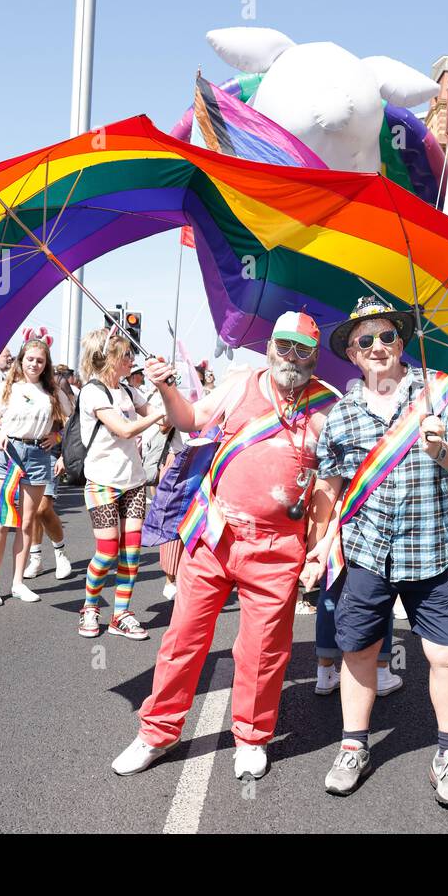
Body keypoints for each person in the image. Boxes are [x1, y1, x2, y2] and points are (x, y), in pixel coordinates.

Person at [112, 312, 338, 780]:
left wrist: (318, 550)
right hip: (215, 535)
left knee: (264, 649)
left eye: (302, 350)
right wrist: (166, 388)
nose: (291, 357)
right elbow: (190, 419)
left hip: (278, 548)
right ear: (271, 347)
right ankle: (157, 732)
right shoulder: (239, 383)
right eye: (284, 346)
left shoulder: (326, 409)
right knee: (182, 639)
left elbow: (325, 488)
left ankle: (252, 736)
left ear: (315, 357)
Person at [300, 297, 448, 810]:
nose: (376, 347)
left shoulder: (437, 393)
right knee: (358, 651)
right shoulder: (342, 414)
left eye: (385, 337)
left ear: (401, 343)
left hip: (429, 551)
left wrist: (441, 450)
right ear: (352, 355)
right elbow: (329, 488)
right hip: (366, 552)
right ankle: (353, 745)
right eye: (364, 341)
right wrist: (318, 549)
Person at [75, 329, 163, 637]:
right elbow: (124, 430)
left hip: (134, 482)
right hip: (102, 482)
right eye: (127, 355)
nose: (132, 359)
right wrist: (158, 415)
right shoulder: (92, 392)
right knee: (108, 551)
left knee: (132, 552)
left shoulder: (128, 390)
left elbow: (162, 419)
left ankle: (121, 614)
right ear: (110, 358)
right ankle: (90, 607)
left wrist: (165, 387)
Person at [0, 338, 66, 607]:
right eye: (30, 359)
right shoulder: (7, 387)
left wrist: (57, 437)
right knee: (2, 520)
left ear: (46, 364)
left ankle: (18, 582)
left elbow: (68, 419)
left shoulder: (52, 391)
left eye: (40, 360)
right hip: (7, 455)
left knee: (27, 522)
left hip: (38, 456)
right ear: (21, 360)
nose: (35, 364)